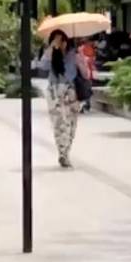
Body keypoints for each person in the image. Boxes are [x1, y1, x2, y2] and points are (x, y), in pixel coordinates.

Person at [39, 30, 89, 168]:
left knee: (71, 124)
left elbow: (85, 74)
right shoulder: (51, 55)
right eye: (55, 40)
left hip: (71, 92)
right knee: (59, 123)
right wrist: (52, 49)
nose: (59, 43)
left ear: (66, 41)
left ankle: (66, 151)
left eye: (61, 40)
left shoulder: (74, 54)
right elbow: (42, 66)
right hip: (55, 91)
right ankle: (62, 153)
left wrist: (82, 61)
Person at [78, 39, 97, 113]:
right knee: (86, 88)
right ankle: (86, 104)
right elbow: (92, 59)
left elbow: (91, 59)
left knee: (86, 88)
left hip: (85, 72)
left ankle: (86, 104)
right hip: (85, 72)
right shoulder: (84, 49)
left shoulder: (84, 49)